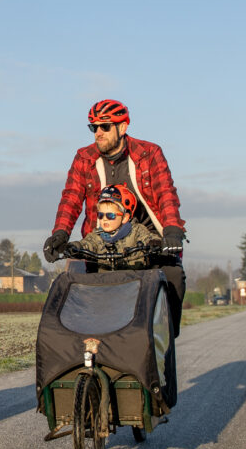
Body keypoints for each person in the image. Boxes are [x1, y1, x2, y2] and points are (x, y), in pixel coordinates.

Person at [43, 99, 186, 334]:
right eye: (93, 127)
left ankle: (164, 344)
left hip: (149, 243)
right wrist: (60, 233)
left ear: (122, 127)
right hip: (101, 244)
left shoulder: (149, 153)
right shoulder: (84, 158)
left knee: (173, 277)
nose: (98, 133)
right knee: (79, 295)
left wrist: (171, 231)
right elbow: (71, 198)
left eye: (105, 126)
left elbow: (166, 194)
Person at [67, 184, 160, 270]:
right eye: (100, 215)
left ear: (125, 217)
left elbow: (148, 238)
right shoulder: (96, 236)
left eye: (110, 215)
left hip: (134, 281)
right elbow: (88, 244)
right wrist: (75, 247)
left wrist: (154, 243)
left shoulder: (136, 231)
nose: (104, 219)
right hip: (105, 284)